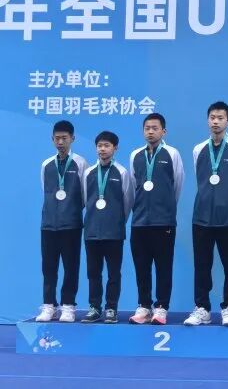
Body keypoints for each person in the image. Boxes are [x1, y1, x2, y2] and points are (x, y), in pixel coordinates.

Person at [184, 101, 228, 326]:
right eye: (212, 117)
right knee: (202, 265)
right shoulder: (198, 149)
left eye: (220, 118)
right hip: (202, 217)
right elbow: (200, 179)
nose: (215, 122)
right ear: (207, 120)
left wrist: (224, 198)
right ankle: (202, 308)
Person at [128, 113, 184, 325]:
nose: (150, 132)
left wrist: (165, 208)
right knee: (141, 267)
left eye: (155, 128)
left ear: (163, 131)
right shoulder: (135, 155)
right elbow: (133, 186)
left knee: (163, 266)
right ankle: (144, 306)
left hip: (164, 222)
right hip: (140, 221)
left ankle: (161, 307)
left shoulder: (172, 154)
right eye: (147, 128)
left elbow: (177, 184)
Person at [36, 120, 88, 323]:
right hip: (49, 224)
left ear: (72, 139)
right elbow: (46, 190)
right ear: (52, 139)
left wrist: (70, 211)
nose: (60, 142)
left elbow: (84, 195)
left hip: (71, 224)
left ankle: (68, 306)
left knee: (70, 266)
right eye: (57, 138)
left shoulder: (80, 163)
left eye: (64, 138)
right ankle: (49, 305)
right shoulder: (46, 165)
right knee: (48, 268)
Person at [80, 131, 134, 324]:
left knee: (113, 273)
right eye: (100, 145)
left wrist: (117, 221)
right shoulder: (88, 173)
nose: (102, 149)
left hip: (114, 233)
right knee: (93, 273)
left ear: (115, 148)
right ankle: (94, 308)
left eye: (107, 145)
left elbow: (127, 202)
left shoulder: (122, 173)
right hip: (92, 232)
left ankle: (111, 308)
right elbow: (86, 199)